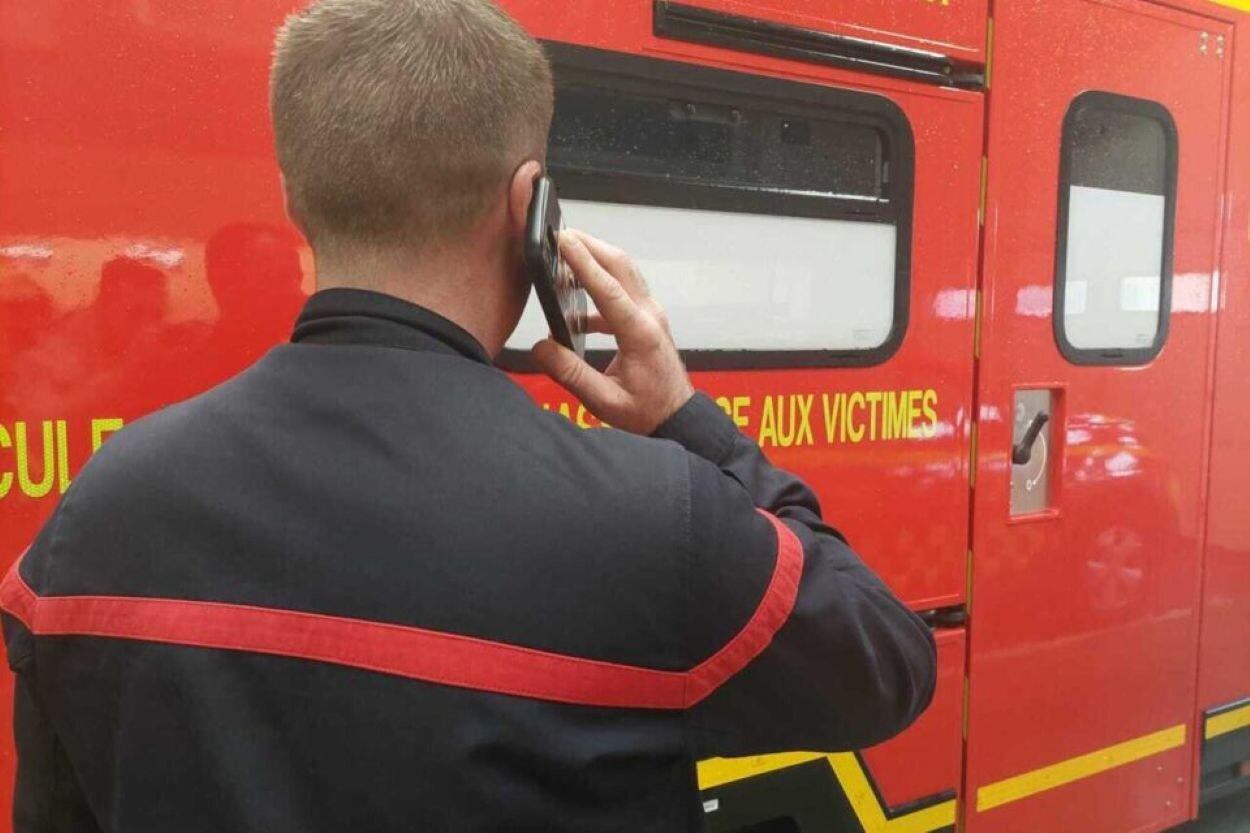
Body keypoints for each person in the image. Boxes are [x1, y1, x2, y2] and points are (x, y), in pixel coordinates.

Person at [0, 1, 936, 831]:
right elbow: (888, 665)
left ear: (295, 194)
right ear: (532, 205)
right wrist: (686, 418)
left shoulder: (94, 517)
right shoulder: (653, 520)